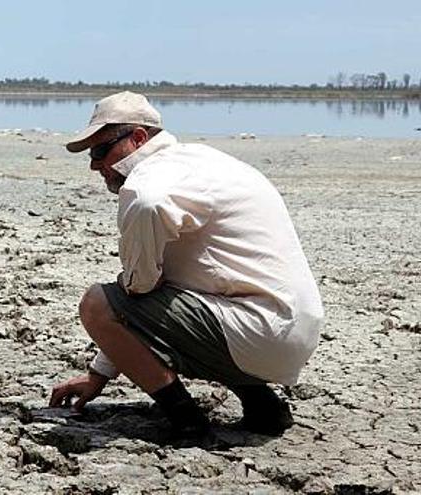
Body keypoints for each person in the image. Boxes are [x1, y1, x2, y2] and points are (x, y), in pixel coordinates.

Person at [49, 91, 324, 437]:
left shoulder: (145, 188)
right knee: (187, 291)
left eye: (101, 151)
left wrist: (101, 369)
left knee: (98, 303)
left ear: (137, 139)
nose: (95, 165)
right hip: (293, 330)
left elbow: (136, 293)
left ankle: (186, 421)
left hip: (258, 334)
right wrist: (99, 372)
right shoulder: (201, 161)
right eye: (91, 155)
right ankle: (263, 405)